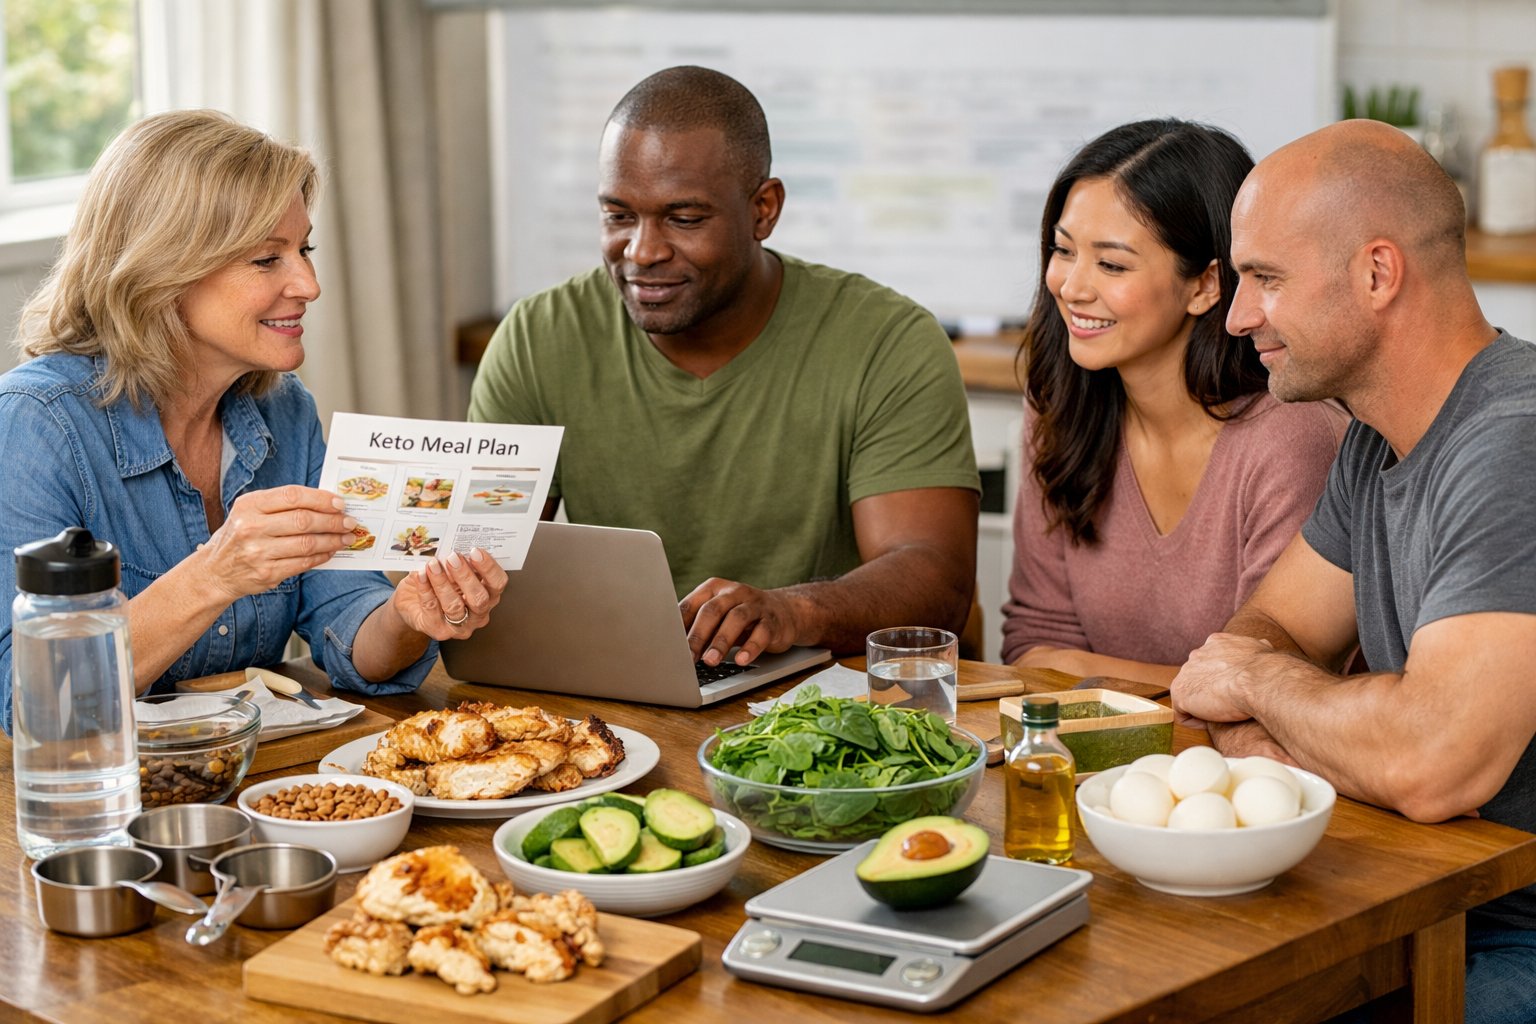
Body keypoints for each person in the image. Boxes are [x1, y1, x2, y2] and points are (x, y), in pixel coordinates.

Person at [1168, 119, 1536, 1023]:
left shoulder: (1513, 440)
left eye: (1266, 279)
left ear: (1378, 273)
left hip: (1511, 933)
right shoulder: (1376, 440)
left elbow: (1431, 762)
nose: (1236, 314)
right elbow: (1255, 638)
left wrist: (1263, 690)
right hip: (1424, 895)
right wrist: (1278, 705)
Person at [0, 110, 507, 733]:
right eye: (268, 259)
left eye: (305, 249)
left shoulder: (284, 411)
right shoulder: (36, 425)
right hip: (86, 803)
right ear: (163, 271)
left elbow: (347, 620)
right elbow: (27, 703)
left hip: (247, 781)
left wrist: (408, 615)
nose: (310, 284)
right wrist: (216, 573)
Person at [468, 66, 980, 668]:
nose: (642, 252)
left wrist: (792, 613)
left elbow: (934, 578)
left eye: (684, 219)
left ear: (764, 209)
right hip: (624, 688)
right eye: (619, 216)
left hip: (822, 697)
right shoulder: (537, 337)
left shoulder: (888, 341)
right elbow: (482, 555)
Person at [1000, 120, 1347, 687]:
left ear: (1207, 285)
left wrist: (1084, 669)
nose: (1071, 286)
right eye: (1064, 251)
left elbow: (1270, 682)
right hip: (1092, 759)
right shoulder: (1060, 403)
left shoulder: (1292, 438)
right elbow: (1035, 643)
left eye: (1112, 264)